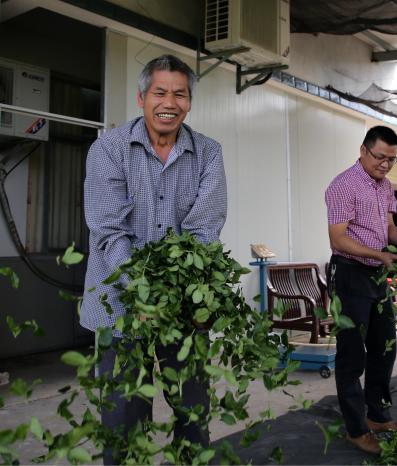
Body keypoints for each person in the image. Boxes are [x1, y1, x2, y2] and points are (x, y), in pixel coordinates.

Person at [81, 54, 227, 464]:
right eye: (160, 92)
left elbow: (204, 230)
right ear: (142, 97)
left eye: (179, 94)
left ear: (190, 102)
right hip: (119, 308)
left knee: (193, 410)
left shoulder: (208, 154)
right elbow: (109, 232)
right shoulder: (108, 149)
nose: (169, 101)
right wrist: (143, 296)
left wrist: (179, 299)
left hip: (182, 308)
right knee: (123, 417)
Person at [325, 126, 397, 455]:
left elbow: (389, 228)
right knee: (352, 355)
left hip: (376, 275)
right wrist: (379, 254)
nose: (385, 165)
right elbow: (338, 238)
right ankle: (356, 429)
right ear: (363, 150)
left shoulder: (385, 187)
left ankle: (377, 414)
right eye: (380, 157)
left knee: (384, 346)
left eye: (392, 159)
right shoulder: (343, 185)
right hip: (349, 273)